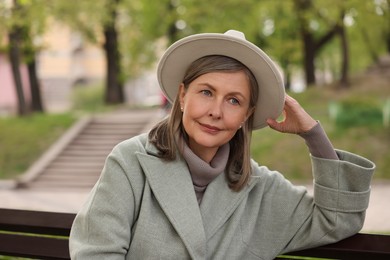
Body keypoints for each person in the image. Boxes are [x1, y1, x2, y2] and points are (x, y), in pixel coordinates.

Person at [69, 30, 375, 259]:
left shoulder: (260, 189)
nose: (216, 111)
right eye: (206, 92)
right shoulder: (131, 162)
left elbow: (338, 219)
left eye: (234, 100)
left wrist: (312, 134)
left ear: (247, 114)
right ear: (183, 95)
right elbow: (96, 253)